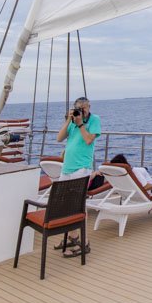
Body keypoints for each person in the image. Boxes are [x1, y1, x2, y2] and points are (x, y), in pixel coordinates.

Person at [55, 96, 101, 256]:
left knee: (79, 206)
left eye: (84, 108)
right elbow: (59, 138)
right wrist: (69, 120)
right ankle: (73, 237)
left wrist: (80, 124)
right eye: (79, 108)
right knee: (66, 205)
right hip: (67, 168)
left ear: (89, 107)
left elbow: (88, 140)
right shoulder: (73, 121)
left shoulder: (94, 120)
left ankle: (84, 242)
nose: (82, 111)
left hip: (81, 168)